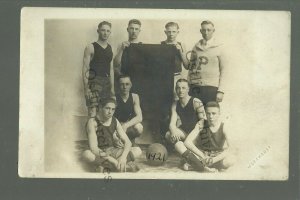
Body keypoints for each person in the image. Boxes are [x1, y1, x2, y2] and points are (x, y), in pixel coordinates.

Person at [82, 97, 139, 172]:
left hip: (111, 150)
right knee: (88, 155)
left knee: (137, 150)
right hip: (97, 153)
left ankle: (105, 167)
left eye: (113, 109)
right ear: (101, 108)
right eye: (107, 108)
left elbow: (128, 142)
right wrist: (114, 161)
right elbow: (94, 149)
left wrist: (123, 158)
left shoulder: (114, 120)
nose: (110, 112)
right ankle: (116, 166)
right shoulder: (92, 122)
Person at [182, 101, 235, 171]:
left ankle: (200, 166)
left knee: (231, 160)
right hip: (203, 155)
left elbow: (231, 148)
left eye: (214, 113)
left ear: (219, 114)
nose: (211, 116)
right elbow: (187, 142)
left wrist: (213, 160)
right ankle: (207, 166)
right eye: (208, 113)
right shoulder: (201, 124)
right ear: (205, 114)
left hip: (217, 156)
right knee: (179, 145)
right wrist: (202, 155)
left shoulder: (224, 126)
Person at [187, 20, 226, 105]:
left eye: (209, 30)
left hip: (211, 88)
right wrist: (188, 85)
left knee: (209, 113)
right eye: (204, 30)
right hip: (195, 87)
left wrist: (221, 91)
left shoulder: (220, 47)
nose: (206, 32)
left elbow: (224, 70)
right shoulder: (196, 47)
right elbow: (191, 68)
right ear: (200, 31)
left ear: (213, 31)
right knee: (195, 115)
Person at [82, 21, 114, 117]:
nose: (105, 33)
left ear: (110, 33)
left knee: (104, 114)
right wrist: (86, 88)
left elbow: (111, 69)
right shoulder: (91, 47)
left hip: (107, 83)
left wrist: (112, 88)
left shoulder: (110, 48)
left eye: (108, 31)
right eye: (103, 30)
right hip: (94, 82)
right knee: (92, 113)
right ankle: (90, 132)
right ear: (98, 31)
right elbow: (85, 69)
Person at [165, 79, 206, 151]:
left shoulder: (196, 102)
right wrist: (173, 131)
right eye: (178, 88)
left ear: (188, 89)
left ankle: (188, 147)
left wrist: (192, 137)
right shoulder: (175, 104)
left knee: (188, 142)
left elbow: (202, 122)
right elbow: (172, 123)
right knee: (168, 135)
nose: (181, 90)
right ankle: (184, 148)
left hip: (196, 133)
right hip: (185, 132)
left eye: (183, 88)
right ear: (176, 89)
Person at [161, 22, 189, 98]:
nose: (171, 34)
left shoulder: (181, 45)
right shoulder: (161, 45)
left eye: (173, 32)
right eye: (169, 32)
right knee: (163, 99)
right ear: (165, 32)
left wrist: (180, 51)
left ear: (177, 32)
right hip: (163, 77)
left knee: (176, 99)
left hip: (177, 77)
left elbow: (187, 66)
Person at [114, 75, 143, 146]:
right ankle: (120, 142)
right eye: (122, 84)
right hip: (116, 125)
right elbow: (110, 117)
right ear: (118, 85)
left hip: (128, 125)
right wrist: (119, 125)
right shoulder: (114, 98)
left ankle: (130, 140)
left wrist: (126, 125)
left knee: (139, 127)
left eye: (127, 84)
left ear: (131, 85)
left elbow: (139, 117)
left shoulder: (134, 97)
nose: (125, 87)